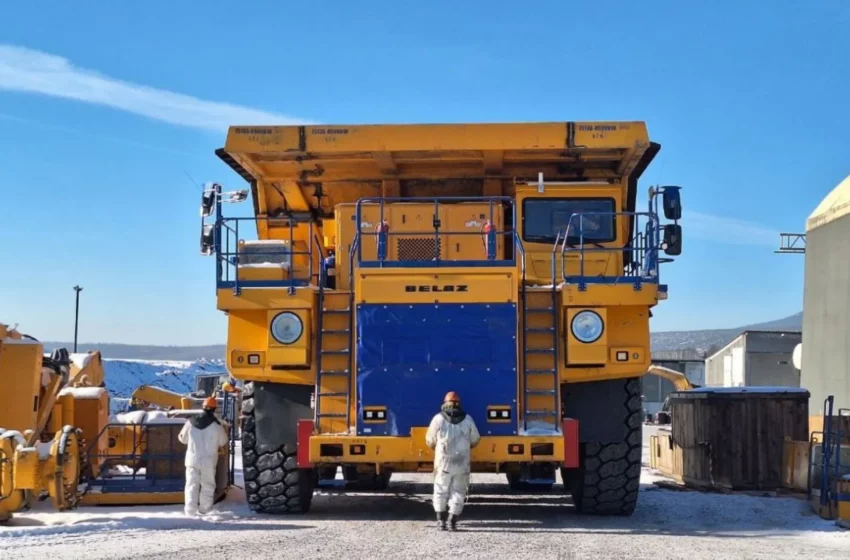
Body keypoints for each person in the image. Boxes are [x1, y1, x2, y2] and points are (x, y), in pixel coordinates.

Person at [425, 391, 481, 531]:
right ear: (458, 404)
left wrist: (437, 448)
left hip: (443, 462)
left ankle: (440, 521)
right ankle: (452, 520)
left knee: (440, 490)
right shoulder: (468, 419)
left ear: (445, 403)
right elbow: (475, 439)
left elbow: (430, 440)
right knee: (458, 491)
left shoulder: (438, 419)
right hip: (462, 463)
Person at [178, 396, 229, 516]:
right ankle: (204, 510)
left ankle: (190, 511)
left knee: (191, 484)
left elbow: (182, 439)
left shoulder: (191, 421)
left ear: (203, 407)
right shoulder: (217, 425)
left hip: (192, 459)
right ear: (214, 409)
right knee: (208, 485)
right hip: (209, 461)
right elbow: (223, 441)